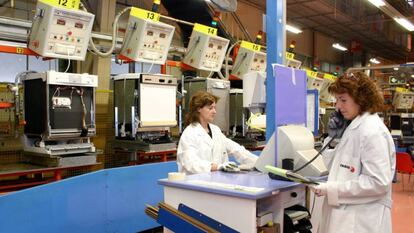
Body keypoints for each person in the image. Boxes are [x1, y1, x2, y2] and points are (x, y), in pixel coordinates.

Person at [311, 72, 396, 233]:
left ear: (362, 99)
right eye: (337, 100)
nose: (338, 107)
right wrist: (334, 138)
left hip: (361, 222)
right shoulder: (354, 127)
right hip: (345, 218)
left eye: (343, 100)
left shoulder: (373, 132)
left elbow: (378, 183)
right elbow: (337, 168)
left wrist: (332, 189)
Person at [177, 91, 258, 174]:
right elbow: (191, 163)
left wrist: (259, 162)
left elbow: (236, 149)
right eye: (210, 108)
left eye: (214, 108)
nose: (214, 111)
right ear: (199, 109)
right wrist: (217, 167)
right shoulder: (190, 133)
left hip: (216, 180)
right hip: (196, 182)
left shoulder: (215, 130)